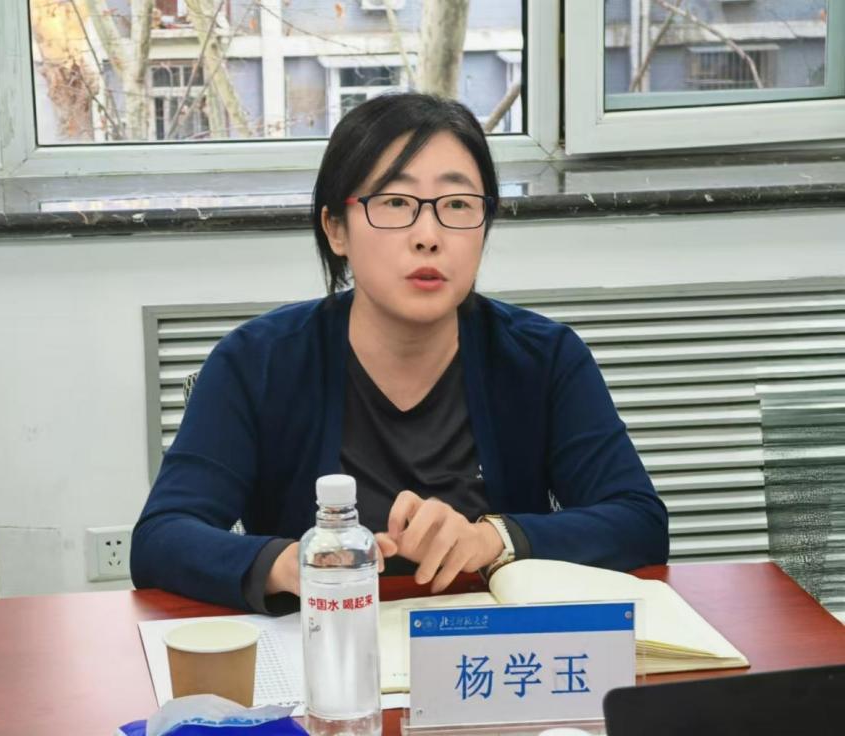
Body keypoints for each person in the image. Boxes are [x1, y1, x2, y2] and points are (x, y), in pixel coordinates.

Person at [130, 93, 669, 615]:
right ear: (336, 229)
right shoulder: (258, 362)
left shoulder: (544, 359)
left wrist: (492, 539)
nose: (428, 236)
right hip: (324, 646)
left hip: (489, 650)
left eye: (457, 205)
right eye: (395, 203)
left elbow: (638, 522)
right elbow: (162, 537)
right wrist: (292, 564)